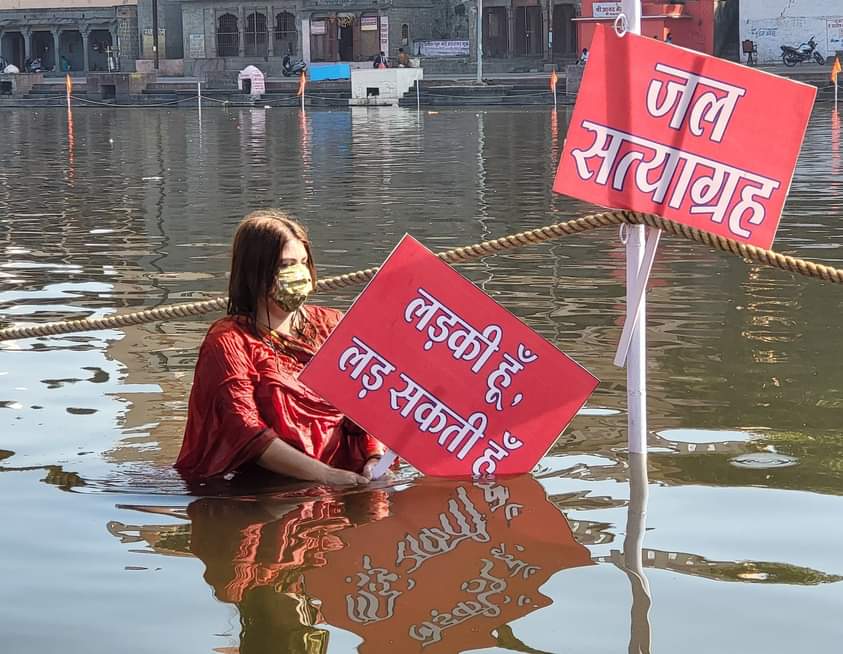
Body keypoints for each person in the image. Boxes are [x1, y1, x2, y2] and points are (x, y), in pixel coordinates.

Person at [175, 210, 385, 485]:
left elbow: (369, 400)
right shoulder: (227, 341)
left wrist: (375, 456)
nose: (299, 273)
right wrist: (325, 475)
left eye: (303, 262)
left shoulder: (331, 324)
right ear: (255, 272)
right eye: (286, 265)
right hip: (265, 490)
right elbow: (245, 430)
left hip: (348, 479)